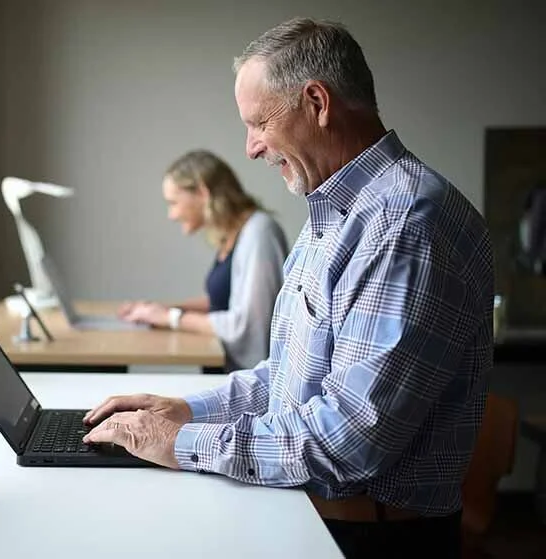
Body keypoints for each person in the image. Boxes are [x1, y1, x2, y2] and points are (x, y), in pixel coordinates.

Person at [83, 17, 493, 559]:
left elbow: (347, 439)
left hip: (370, 539)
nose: (250, 148)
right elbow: (290, 378)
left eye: (259, 123)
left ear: (317, 103)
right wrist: (184, 411)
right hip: (321, 518)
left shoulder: (404, 223)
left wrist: (180, 443)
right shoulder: (339, 213)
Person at [118, 149, 288, 371]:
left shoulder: (260, 232)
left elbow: (247, 325)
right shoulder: (234, 234)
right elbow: (220, 303)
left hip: (244, 382)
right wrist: (158, 310)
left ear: (202, 192)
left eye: (173, 202)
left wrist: (171, 317)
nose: (172, 214)